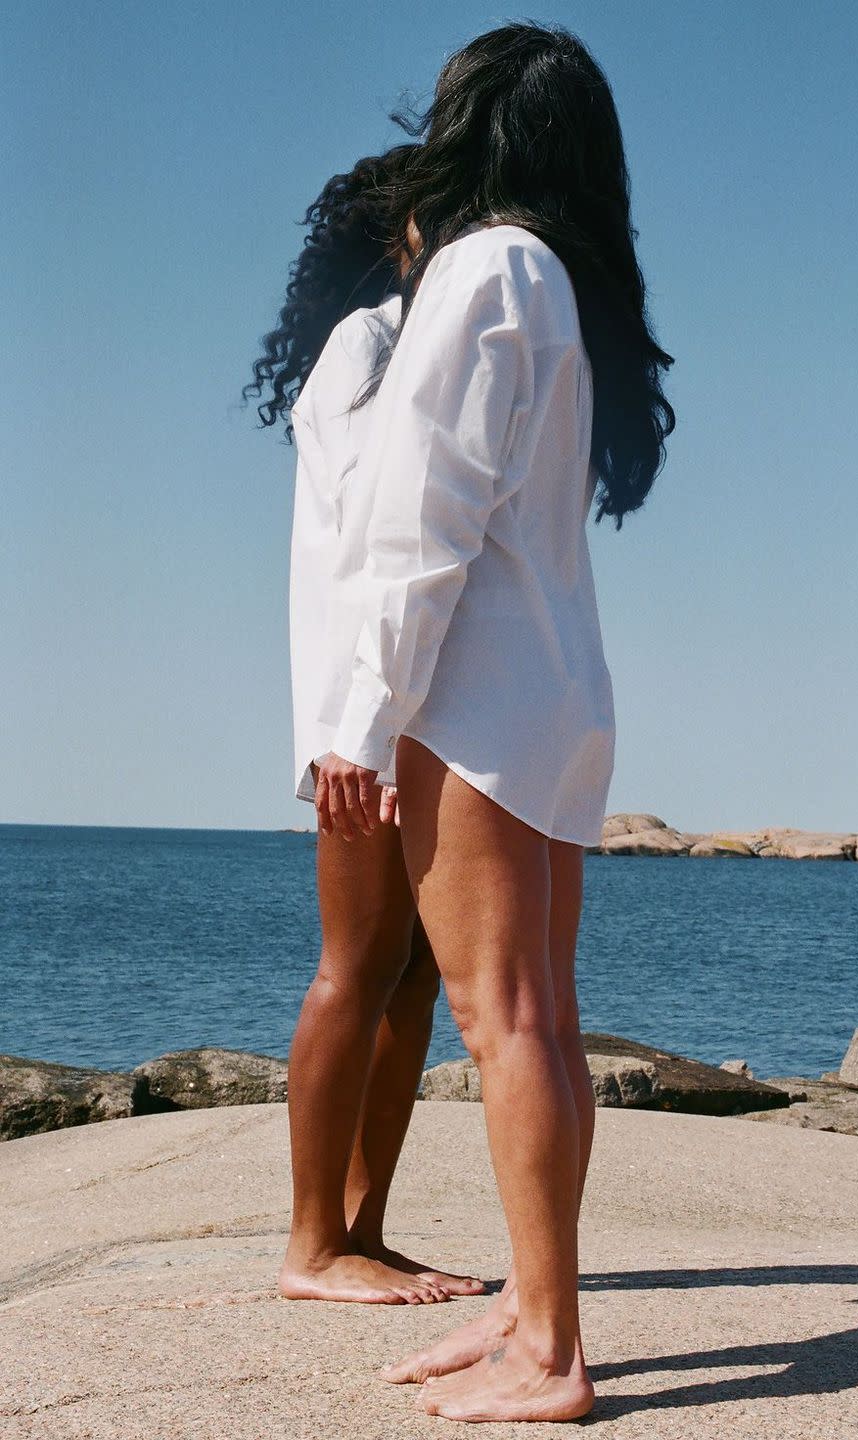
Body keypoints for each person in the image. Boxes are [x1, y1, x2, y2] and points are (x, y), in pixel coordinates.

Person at [314, 21, 675, 1424]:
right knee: (542, 1016)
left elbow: (419, 524)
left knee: (500, 1014)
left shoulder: (475, 270)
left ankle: (553, 1352)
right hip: (558, 691)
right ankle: (532, 1313)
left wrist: (357, 716)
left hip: (473, 695)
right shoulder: (559, 287)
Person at [245, 146, 484, 1304]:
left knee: (413, 974)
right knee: (355, 963)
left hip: (402, 707)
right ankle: (310, 1245)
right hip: (363, 712)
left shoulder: (419, 342)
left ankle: (362, 1225)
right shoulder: (368, 341)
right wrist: (358, 726)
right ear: (407, 232)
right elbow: (364, 547)